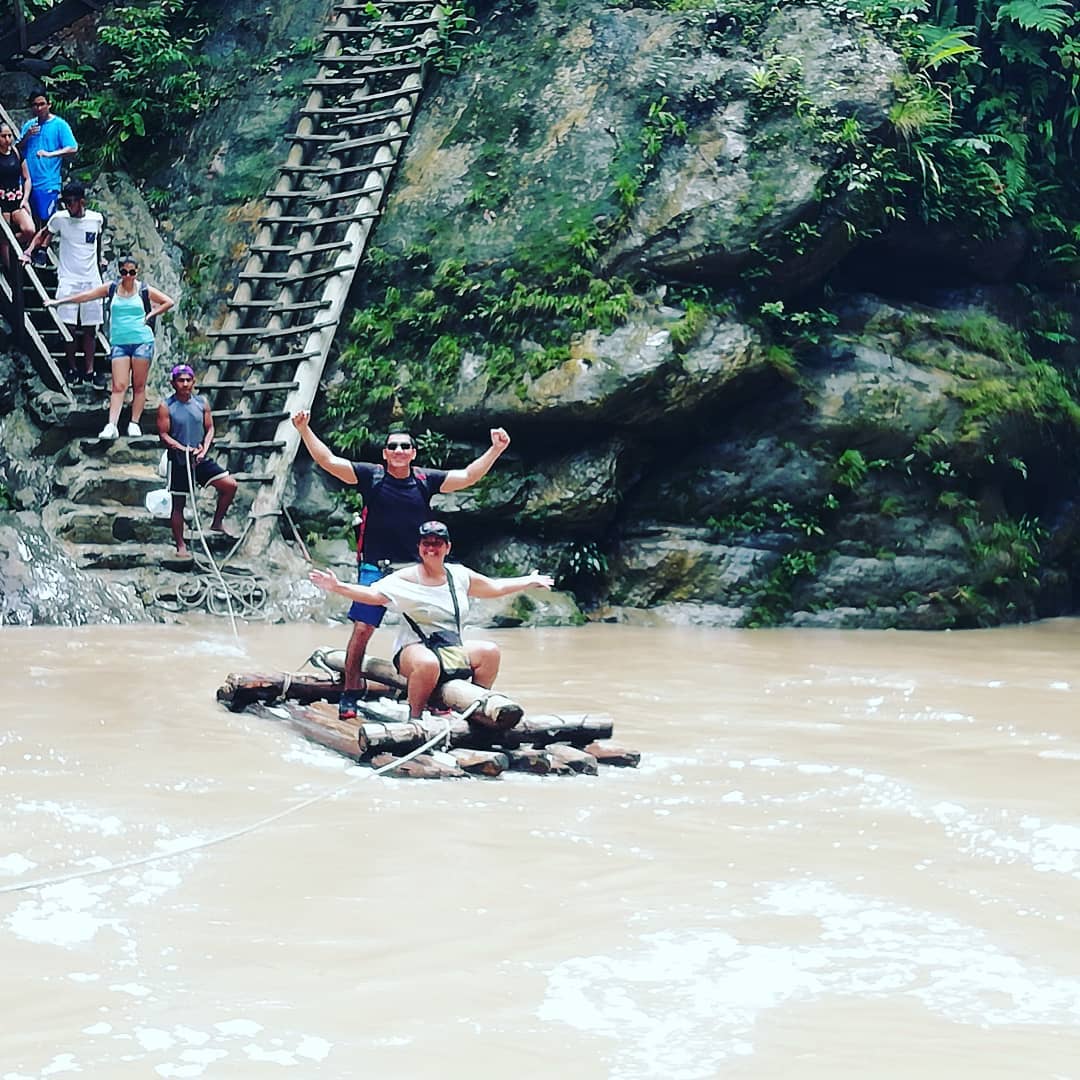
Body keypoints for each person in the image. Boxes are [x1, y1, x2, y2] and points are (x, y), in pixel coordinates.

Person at [291, 410, 511, 720]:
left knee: (429, 630)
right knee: (363, 628)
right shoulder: (372, 476)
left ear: (413, 453)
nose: (398, 451)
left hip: (414, 569)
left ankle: (436, 693)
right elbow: (328, 461)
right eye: (392, 447)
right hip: (376, 566)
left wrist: (496, 449)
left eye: (404, 446)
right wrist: (304, 430)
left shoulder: (424, 479)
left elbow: (467, 477)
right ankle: (351, 690)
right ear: (385, 453)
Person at [309, 521, 554, 721]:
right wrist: (337, 587)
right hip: (414, 651)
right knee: (427, 664)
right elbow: (372, 595)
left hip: (450, 649)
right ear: (419, 548)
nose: (431, 549)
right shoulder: (405, 579)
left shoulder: (459, 575)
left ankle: (475, 711)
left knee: (490, 651)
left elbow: (495, 586)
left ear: (447, 547)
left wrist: (528, 581)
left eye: (437, 544)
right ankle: (414, 718)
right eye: (426, 544)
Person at [46, 254, 175, 438]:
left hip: (142, 341)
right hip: (120, 342)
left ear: (136, 272)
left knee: (138, 385)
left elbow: (168, 301)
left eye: (131, 272)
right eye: (124, 272)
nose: (128, 276)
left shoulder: (144, 290)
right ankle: (111, 425)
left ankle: (134, 423)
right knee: (119, 385)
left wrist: (151, 314)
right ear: (119, 272)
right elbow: (86, 296)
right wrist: (59, 302)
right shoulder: (112, 288)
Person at [20, 180, 105, 387]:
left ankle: (90, 370)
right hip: (69, 279)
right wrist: (29, 252)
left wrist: (100, 259)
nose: (68, 206)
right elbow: (43, 234)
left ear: (82, 201)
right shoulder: (60, 219)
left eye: (71, 202)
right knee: (68, 327)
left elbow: (98, 240)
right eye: (65, 202)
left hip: (91, 279)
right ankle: (72, 368)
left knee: (90, 328)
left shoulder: (96, 219)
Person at [156, 363, 238, 558]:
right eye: (180, 380)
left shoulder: (202, 403)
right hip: (179, 460)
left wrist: (204, 449)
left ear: (193, 381)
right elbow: (163, 434)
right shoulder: (166, 406)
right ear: (173, 383)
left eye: (188, 380)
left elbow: (210, 429)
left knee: (230, 485)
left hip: (200, 457)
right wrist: (182, 448)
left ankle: (217, 522)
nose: (185, 384)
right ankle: (181, 545)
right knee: (179, 503)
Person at [17, 89, 77, 235]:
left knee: (46, 220)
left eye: (42, 104)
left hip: (48, 182)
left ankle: (41, 252)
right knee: (29, 220)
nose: (38, 108)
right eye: (35, 105)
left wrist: (51, 154)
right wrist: (27, 136)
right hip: (27, 182)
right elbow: (17, 149)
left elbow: (72, 148)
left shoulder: (59, 125)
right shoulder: (29, 125)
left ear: (49, 104)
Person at [0, 121, 34, 257]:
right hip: (2, 202)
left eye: (9, 136)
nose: (7, 139)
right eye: (3, 136)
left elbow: (27, 178)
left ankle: (11, 243)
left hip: (17, 199)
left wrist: (25, 199)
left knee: (30, 230)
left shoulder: (16, 152)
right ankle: (8, 270)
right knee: (4, 234)